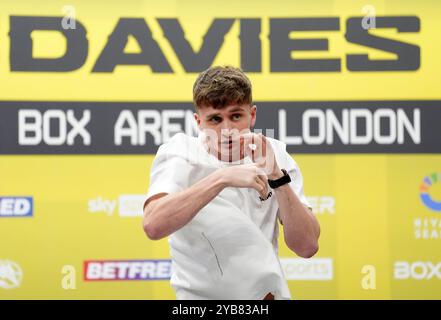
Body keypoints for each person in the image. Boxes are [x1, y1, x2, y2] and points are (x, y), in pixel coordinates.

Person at [142, 66, 320, 300]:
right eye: (215, 119)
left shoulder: (275, 153)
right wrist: (222, 178)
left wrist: (276, 175)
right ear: (199, 122)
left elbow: (307, 246)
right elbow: (153, 226)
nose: (226, 130)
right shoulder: (181, 152)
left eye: (236, 116)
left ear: (252, 115)